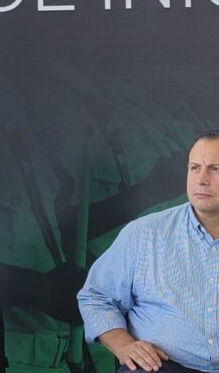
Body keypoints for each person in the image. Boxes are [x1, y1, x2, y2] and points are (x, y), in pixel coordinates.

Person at [77, 130, 219, 373]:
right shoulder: (144, 233)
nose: (201, 179)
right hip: (161, 367)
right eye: (194, 167)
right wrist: (123, 345)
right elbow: (97, 297)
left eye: (215, 168)